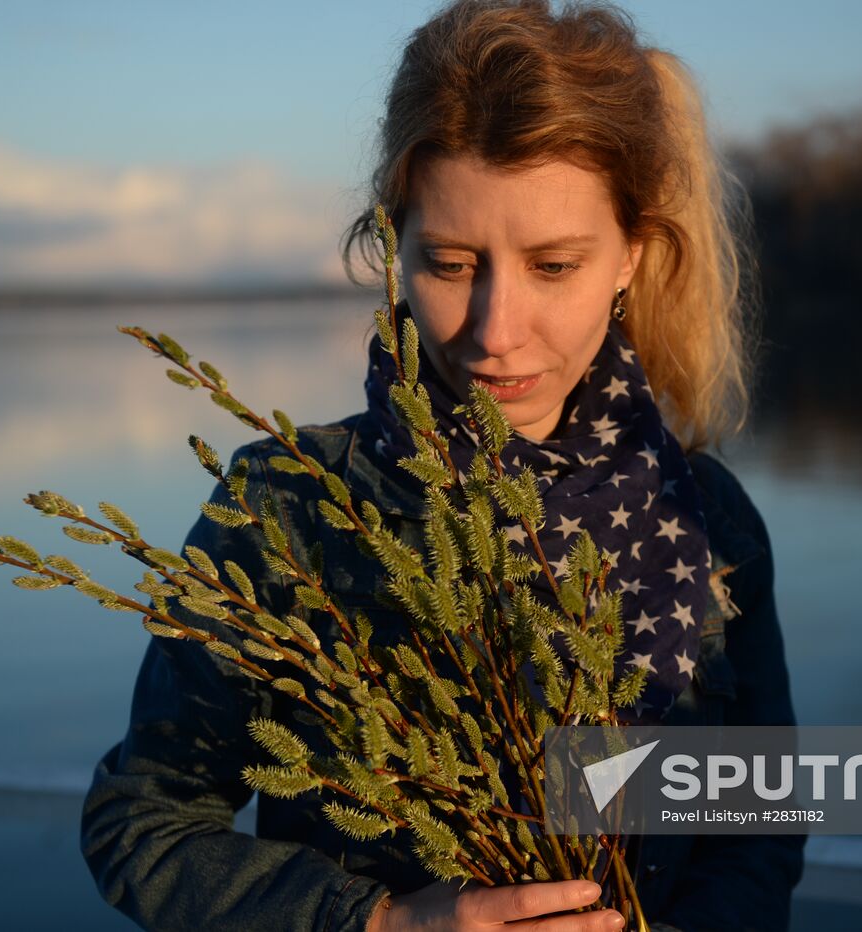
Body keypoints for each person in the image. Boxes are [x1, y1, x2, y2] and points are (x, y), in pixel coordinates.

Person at [80, 2, 802, 929]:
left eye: (553, 265)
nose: (496, 334)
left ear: (631, 253)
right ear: (392, 250)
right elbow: (143, 821)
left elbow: (756, 823)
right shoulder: (291, 509)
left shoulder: (707, 518)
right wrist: (378, 922)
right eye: (451, 263)